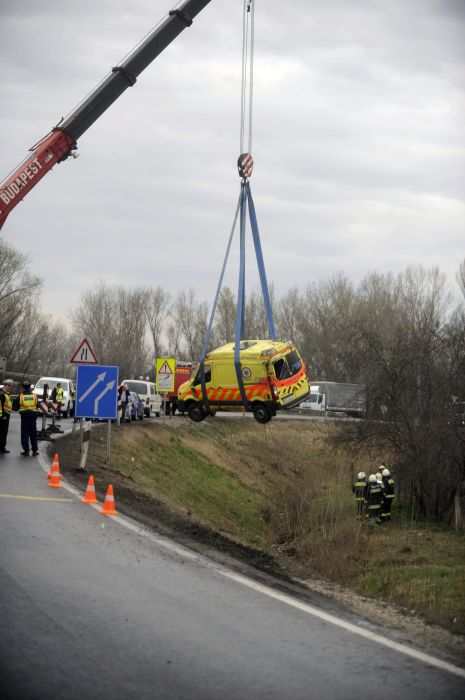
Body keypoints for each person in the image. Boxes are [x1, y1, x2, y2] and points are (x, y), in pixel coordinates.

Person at [18, 381, 39, 456]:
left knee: (24, 434)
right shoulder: (34, 396)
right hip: (33, 417)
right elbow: (37, 406)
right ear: (30, 387)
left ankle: (26, 451)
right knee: (33, 434)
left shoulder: (21, 396)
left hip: (24, 417)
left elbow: (16, 406)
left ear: (23, 387)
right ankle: (34, 451)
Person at [0, 379, 14, 454]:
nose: (9, 387)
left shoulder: (6, 394)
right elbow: (1, 406)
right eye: (7, 385)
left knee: (3, 432)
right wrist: (3, 416)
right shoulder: (2, 394)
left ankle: (2, 447)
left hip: (6, 415)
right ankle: (2, 448)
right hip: (4, 416)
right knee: (3, 432)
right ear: (4, 386)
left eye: (10, 386)